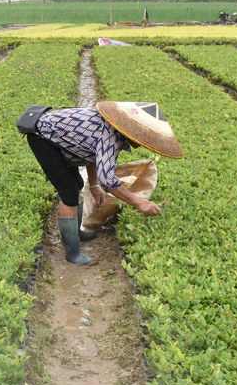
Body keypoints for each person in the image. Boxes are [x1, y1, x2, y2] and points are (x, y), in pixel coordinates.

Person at [23, 101, 182, 265]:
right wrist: (140, 203)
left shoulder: (112, 127)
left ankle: (76, 233)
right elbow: (108, 180)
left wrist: (93, 185)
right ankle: (72, 252)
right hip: (43, 137)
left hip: (53, 135)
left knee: (77, 183)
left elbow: (91, 154)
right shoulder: (111, 136)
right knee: (69, 193)